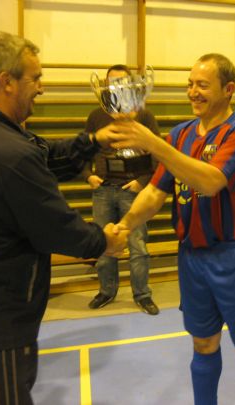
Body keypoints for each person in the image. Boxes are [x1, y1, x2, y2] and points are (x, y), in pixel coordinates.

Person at [0, 31, 128, 405]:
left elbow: (40, 155)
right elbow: (58, 229)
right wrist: (106, 242)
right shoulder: (5, 150)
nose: (42, 87)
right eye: (34, 78)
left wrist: (93, 140)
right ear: (7, 81)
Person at [107, 53, 235, 404]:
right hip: (192, 258)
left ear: (228, 89)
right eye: (190, 84)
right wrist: (123, 227)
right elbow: (155, 192)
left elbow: (212, 181)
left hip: (234, 258)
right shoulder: (181, 134)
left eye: (202, 85)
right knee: (203, 344)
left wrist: (154, 143)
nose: (193, 92)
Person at [85, 64, 160, 315]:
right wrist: (88, 177)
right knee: (103, 243)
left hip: (133, 189)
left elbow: (157, 152)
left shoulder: (144, 115)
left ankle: (142, 294)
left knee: (138, 245)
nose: (116, 86)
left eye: (121, 81)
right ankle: (107, 291)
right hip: (104, 189)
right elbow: (84, 148)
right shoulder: (97, 116)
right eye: (112, 82)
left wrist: (142, 181)